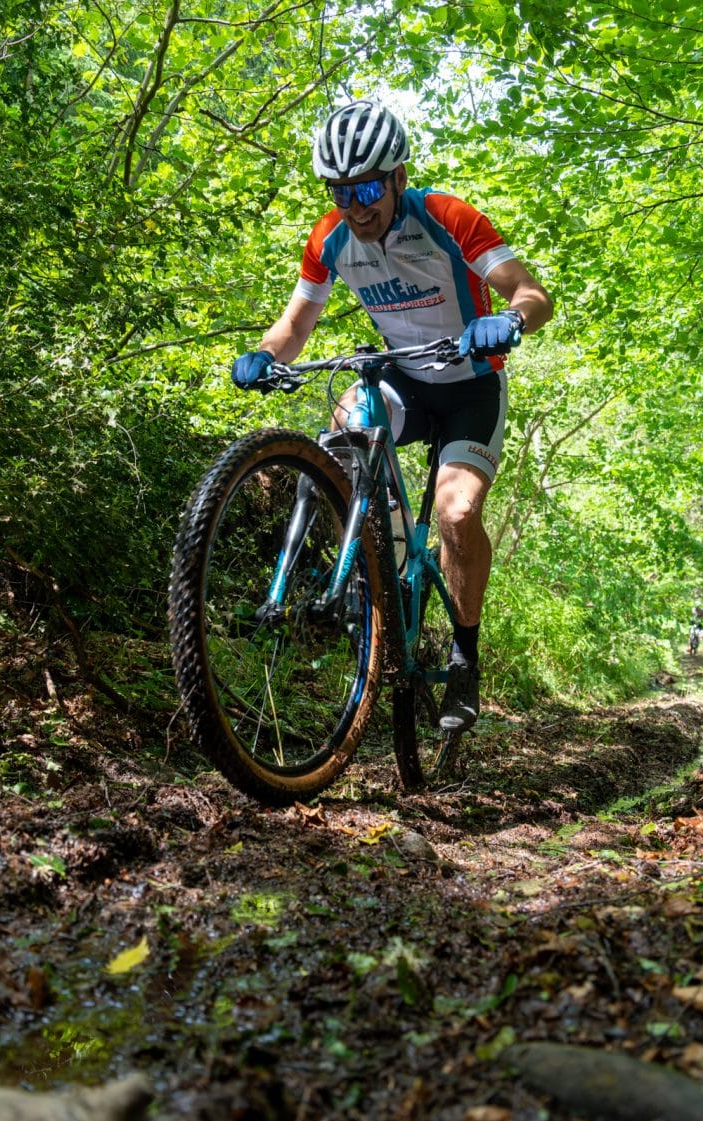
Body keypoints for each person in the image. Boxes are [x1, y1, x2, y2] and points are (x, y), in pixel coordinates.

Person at [231, 100, 553, 733]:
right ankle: (379, 563)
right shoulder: (330, 238)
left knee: (456, 514)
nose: (356, 205)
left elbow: (531, 292)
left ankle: (465, 653)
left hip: (469, 388)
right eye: (341, 191)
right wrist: (265, 355)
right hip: (402, 376)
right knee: (337, 436)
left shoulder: (445, 217)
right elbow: (296, 325)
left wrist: (507, 320)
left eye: (369, 188)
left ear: (398, 176)